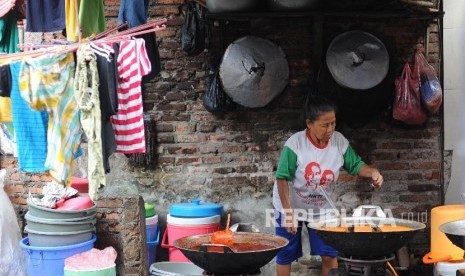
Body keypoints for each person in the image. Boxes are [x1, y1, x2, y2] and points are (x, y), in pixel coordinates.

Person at [272, 96, 383, 276]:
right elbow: (282, 178)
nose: (330, 129)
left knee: (330, 255)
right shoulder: (295, 144)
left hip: (322, 209)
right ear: (309, 123)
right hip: (290, 205)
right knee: (285, 254)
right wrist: (288, 213)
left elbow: (355, 165)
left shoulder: (338, 142)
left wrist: (373, 173)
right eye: (325, 125)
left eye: (333, 123)